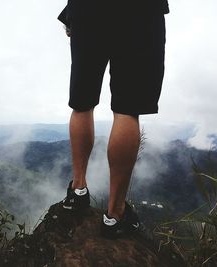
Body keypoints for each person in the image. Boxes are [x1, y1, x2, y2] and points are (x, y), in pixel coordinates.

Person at [58, 0, 169, 239]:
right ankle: (115, 214)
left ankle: (78, 190)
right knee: (127, 110)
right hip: (141, 10)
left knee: (82, 102)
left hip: (86, 9)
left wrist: (72, 12)